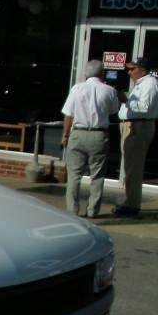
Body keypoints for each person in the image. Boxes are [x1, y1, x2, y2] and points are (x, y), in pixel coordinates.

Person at [60, 59, 119, 218]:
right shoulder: (109, 90)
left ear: (86, 72)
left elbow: (69, 114)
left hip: (78, 133)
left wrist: (65, 135)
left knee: (74, 175)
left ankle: (72, 209)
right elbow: (114, 111)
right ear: (102, 73)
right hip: (99, 134)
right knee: (97, 176)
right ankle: (93, 210)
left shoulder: (77, 88)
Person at [114, 55, 158, 217]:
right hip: (133, 124)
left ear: (142, 70)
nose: (129, 72)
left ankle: (131, 205)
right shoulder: (142, 84)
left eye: (132, 69)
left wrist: (126, 100)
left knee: (133, 168)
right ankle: (128, 202)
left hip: (139, 126)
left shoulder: (150, 84)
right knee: (129, 167)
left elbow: (145, 108)